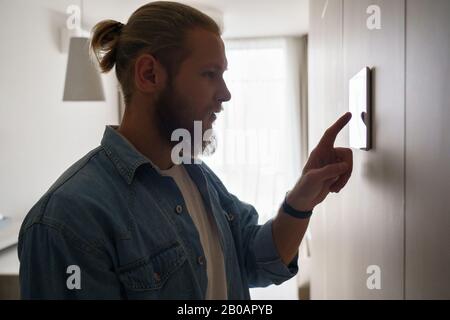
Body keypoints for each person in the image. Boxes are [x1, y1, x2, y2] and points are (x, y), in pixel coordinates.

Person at [18, 1, 353, 299]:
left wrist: (302, 198)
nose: (225, 94)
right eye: (210, 74)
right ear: (149, 75)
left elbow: (256, 258)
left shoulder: (197, 175)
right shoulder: (66, 221)